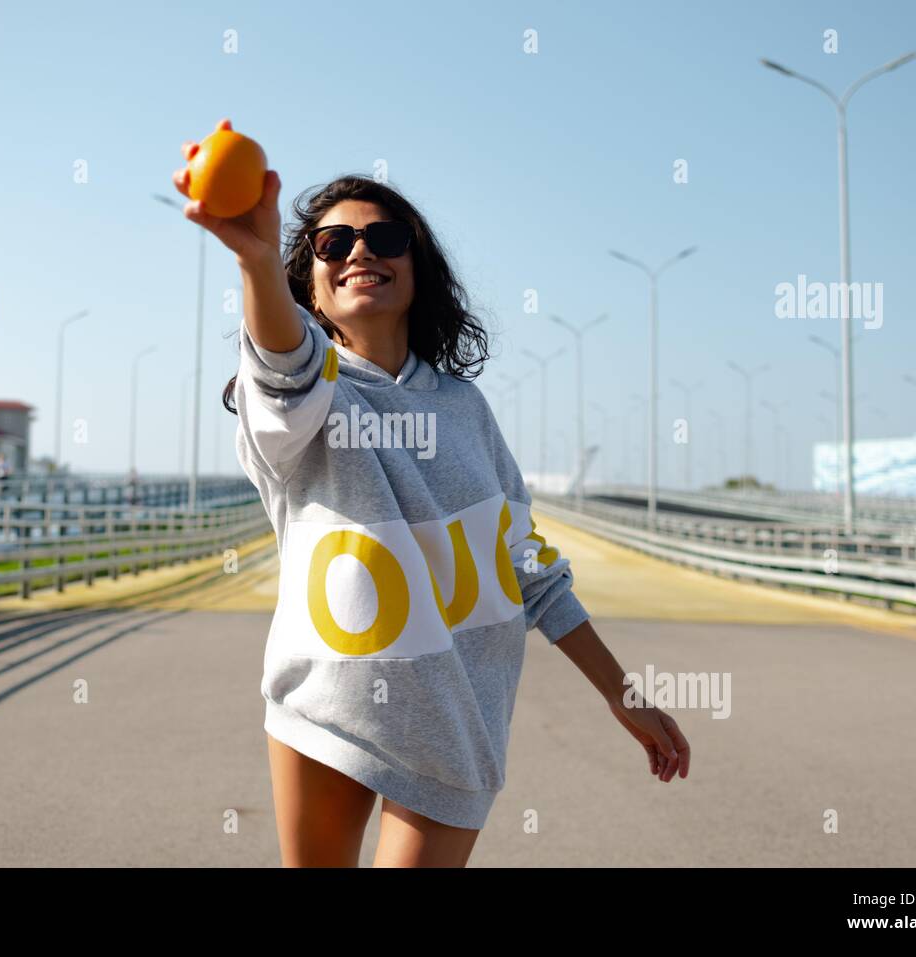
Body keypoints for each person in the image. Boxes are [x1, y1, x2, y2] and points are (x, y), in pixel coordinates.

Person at [174, 119, 690, 868]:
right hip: (326, 710)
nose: (359, 251)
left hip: (457, 717)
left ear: (417, 269)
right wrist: (255, 262)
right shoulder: (303, 394)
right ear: (311, 286)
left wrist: (623, 691)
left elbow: (531, 569)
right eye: (331, 244)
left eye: (385, 239)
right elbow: (283, 369)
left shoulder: (465, 409)